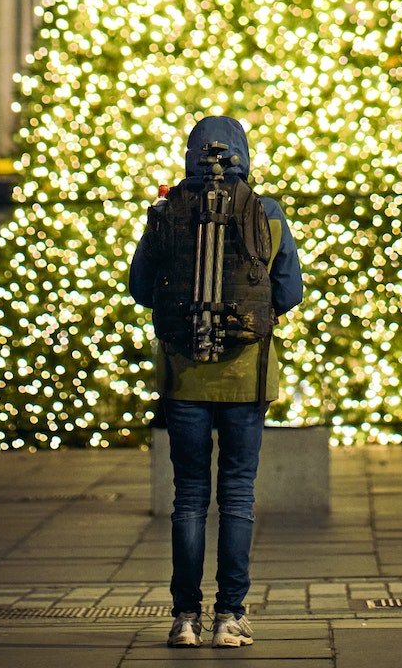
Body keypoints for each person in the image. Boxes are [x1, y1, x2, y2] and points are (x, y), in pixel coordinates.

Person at [130, 114, 304, 649]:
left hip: (183, 376)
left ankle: (185, 617)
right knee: (237, 496)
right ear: (244, 154)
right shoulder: (266, 212)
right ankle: (231, 614)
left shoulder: (166, 212)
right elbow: (289, 292)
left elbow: (139, 287)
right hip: (246, 377)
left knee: (188, 498)